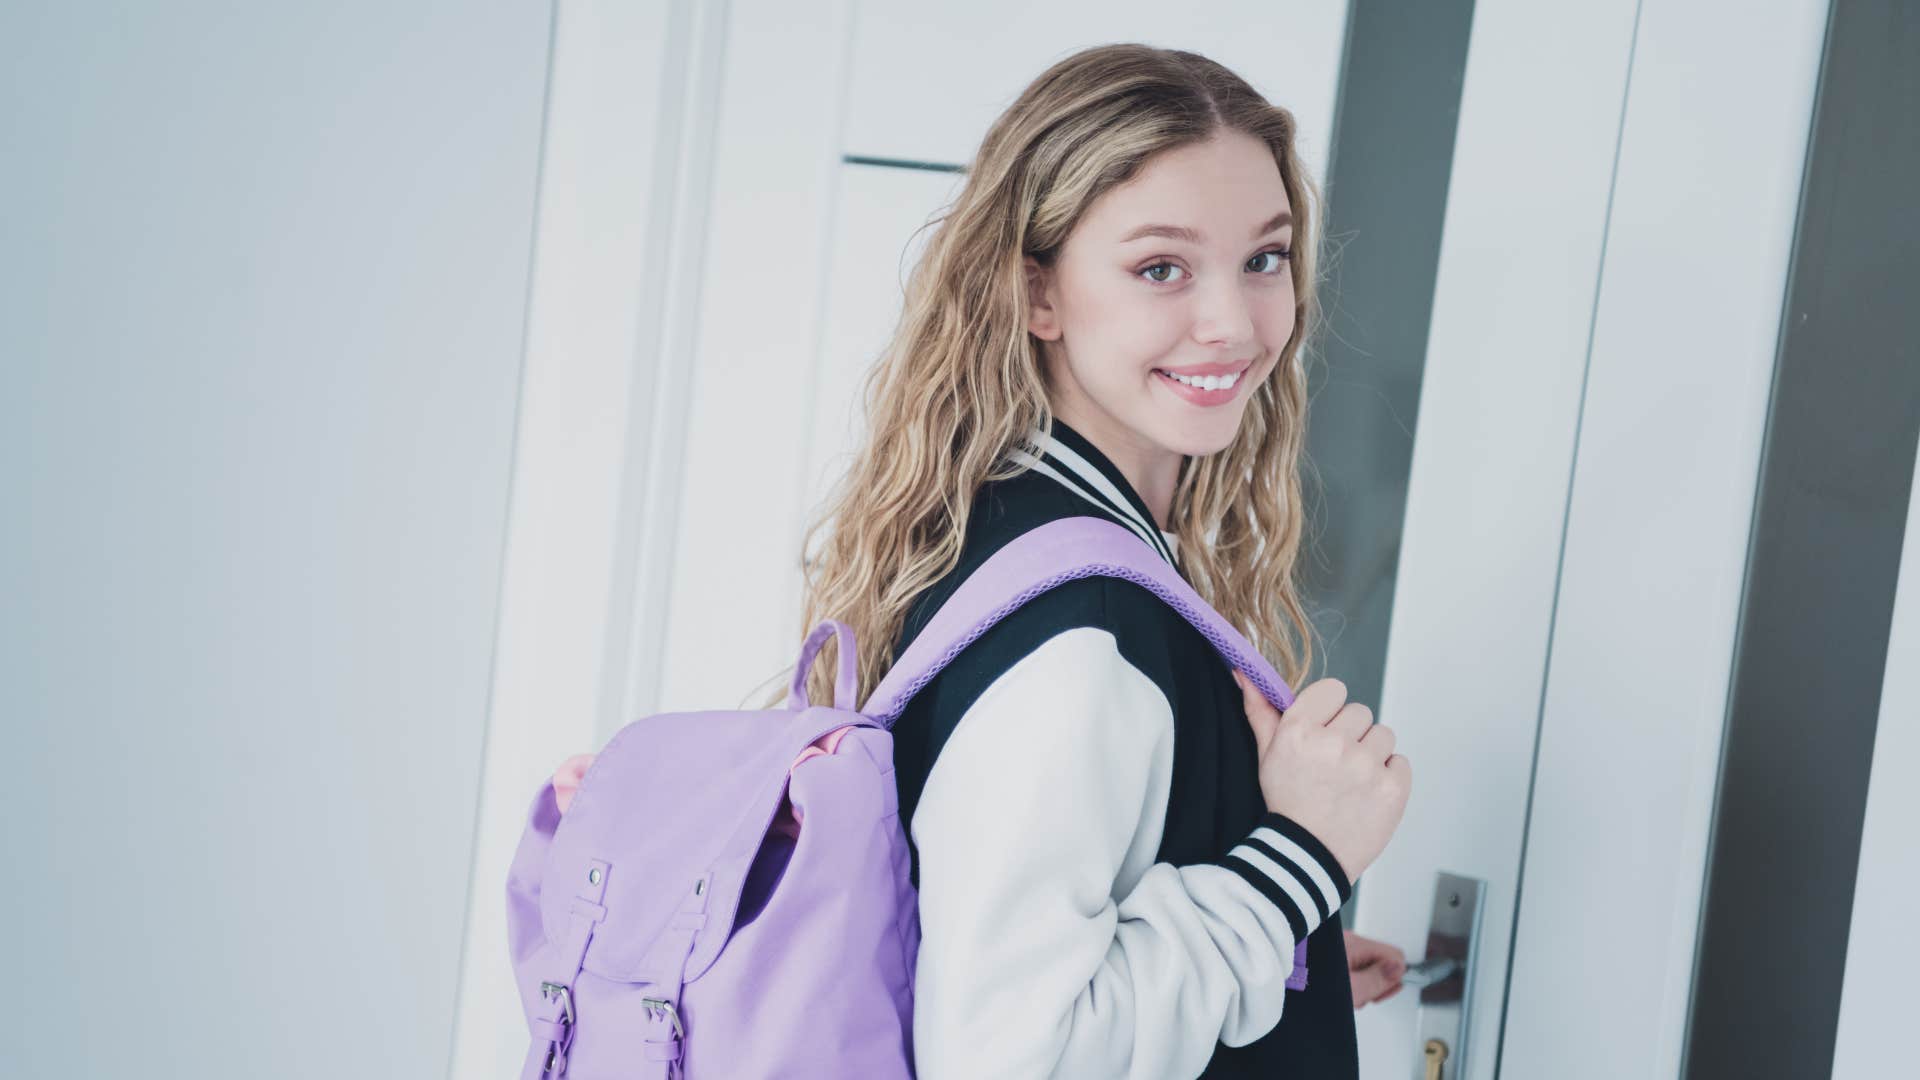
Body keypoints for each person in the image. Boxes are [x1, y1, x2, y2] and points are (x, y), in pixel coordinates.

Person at [775, 43, 1411, 1078]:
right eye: (1162, 267)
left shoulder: (998, 540)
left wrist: (1275, 951)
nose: (1235, 323)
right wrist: (1301, 858)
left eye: (1265, 258)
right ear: (1039, 295)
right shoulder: (1081, 631)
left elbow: (1010, 938)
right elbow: (1010, 1056)